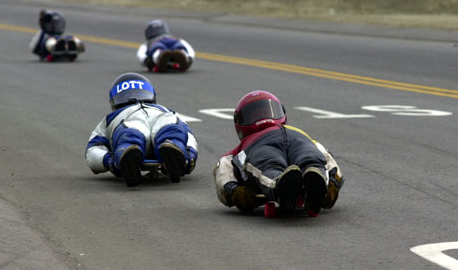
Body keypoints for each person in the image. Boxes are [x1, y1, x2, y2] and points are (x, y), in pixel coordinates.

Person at [213, 90, 344, 216]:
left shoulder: (240, 148)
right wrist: (334, 181)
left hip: (267, 143)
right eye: (255, 115)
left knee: (272, 165)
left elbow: (223, 170)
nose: (263, 118)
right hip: (293, 138)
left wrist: (232, 191)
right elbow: (325, 155)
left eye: (267, 111)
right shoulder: (308, 138)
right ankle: (310, 178)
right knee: (309, 160)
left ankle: (283, 185)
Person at [85, 72, 198, 187]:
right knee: (131, 131)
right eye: (126, 95)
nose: (134, 98)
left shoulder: (167, 111)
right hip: (130, 122)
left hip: (158, 121)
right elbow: (92, 150)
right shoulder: (109, 120)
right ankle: (129, 151)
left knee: (171, 127)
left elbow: (187, 133)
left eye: (138, 93)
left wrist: (190, 153)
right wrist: (108, 160)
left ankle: (173, 147)